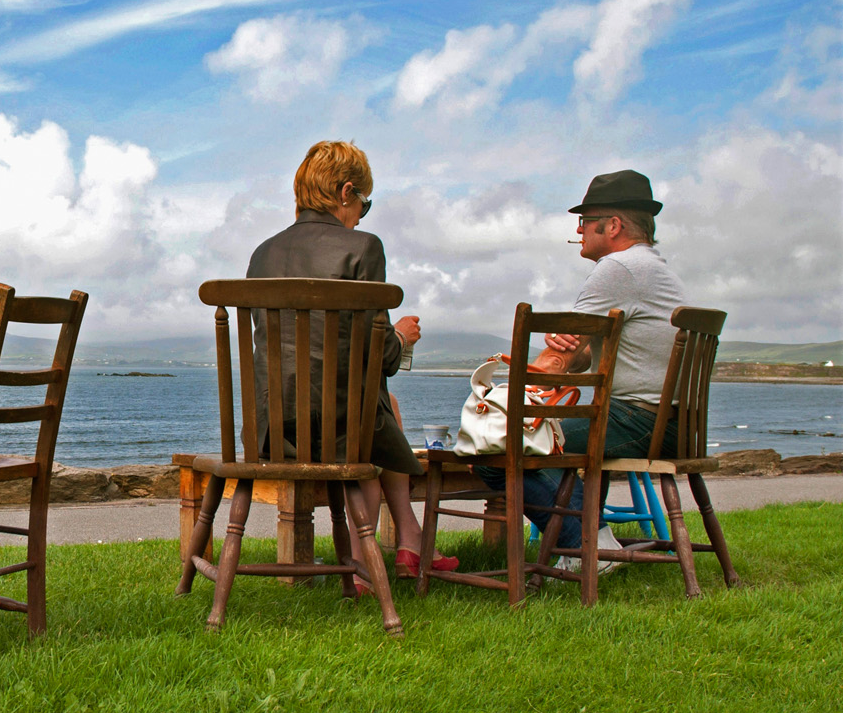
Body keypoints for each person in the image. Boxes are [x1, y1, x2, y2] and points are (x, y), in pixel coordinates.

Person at [246, 140, 458, 577]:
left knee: (381, 406)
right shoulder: (362, 247)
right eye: (365, 203)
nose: (362, 214)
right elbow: (379, 356)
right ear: (346, 193)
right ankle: (378, 557)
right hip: (338, 430)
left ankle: (407, 544)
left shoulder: (261, 254)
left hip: (271, 430)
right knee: (374, 412)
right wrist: (400, 336)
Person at [478, 169, 685, 564]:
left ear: (612, 225)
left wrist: (501, 394)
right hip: (670, 421)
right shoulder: (654, 269)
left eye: (585, 221)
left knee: (495, 447)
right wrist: (574, 353)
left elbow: (559, 357)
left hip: (642, 421)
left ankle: (588, 544)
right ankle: (588, 536)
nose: (580, 230)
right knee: (556, 440)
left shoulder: (618, 268)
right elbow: (585, 352)